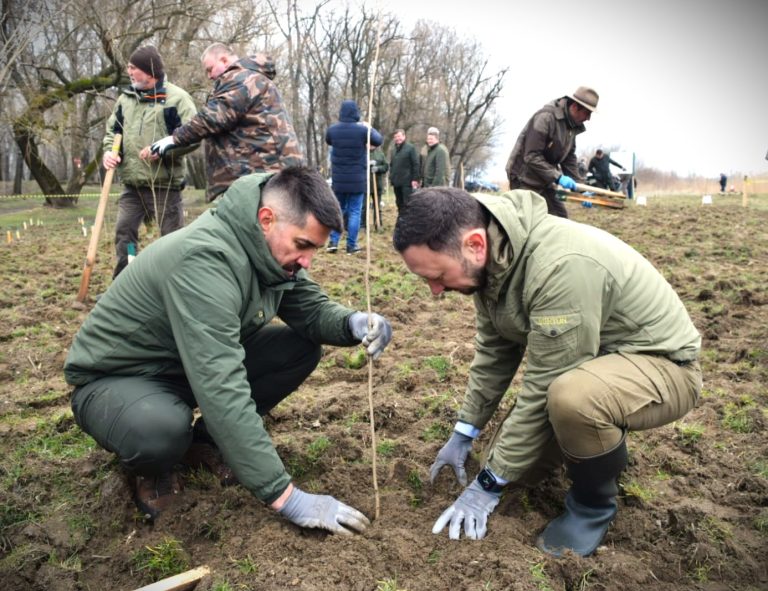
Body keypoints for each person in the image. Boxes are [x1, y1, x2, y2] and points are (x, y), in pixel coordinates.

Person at [64, 167, 393, 535]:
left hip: (181, 368)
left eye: (315, 249)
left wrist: (352, 323)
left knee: (300, 348)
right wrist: (287, 497)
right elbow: (221, 385)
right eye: (303, 245)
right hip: (119, 378)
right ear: (266, 219)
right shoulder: (204, 261)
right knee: (160, 433)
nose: (307, 262)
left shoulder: (269, 253)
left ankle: (204, 444)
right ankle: (155, 468)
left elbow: (311, 310)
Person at [393, 187, 702, 556]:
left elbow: (544, 384)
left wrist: (487, 486)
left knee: (572, 400)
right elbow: (495, 352)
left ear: (474, 244)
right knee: (513, 469)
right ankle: (587, 446)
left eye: (438, 275)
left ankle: (592, 505)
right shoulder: (492, 263)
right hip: (594, 363)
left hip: (664, 367)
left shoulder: (558, 265)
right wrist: (465, 431)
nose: (434, 291)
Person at [151, 43, 303, 202]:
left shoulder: (240, 78)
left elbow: (213, 117)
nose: (209, 76)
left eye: (210, 69)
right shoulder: (251, 78)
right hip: (267, 173)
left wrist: (175, 138)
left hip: (262, 175)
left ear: (223, 60)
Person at [103, 45, 197, 279]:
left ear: (149, 71)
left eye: (133, 67)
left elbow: (194, 136)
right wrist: (109, 152)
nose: (129, 71)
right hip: (132, 186)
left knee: (171, 242)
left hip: (165, 187)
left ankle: (173, 289)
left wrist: (165, 150)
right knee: (125, 235)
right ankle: (126, 284)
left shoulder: (177, 99)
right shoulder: (126, 99)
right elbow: (112, 132)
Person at [505, 86, 599, 218]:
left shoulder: (572, 126)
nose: (588, 118)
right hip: (523, 178)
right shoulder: (546, 118)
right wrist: (558, 177)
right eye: (587, 113)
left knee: (560, 219)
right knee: (528, 222)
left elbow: (569, 159)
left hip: (545, 179)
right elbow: (531, 156)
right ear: (575, 106)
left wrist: (581, 189)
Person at [324, 99, 383, 254]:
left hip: (339, 180)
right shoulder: (362, 131)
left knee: (339, 210)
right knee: (355, 211)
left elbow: (328, 140)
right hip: (357, 179)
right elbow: (378, 140)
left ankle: (333, 242)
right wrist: (369, 127)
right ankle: (351, 245)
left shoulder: (333, 130)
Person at [389, 128, 420, 215]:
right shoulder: (394, 149)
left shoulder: (410, 148)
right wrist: (391, 178)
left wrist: (415, 179)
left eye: (399, 136)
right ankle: (401, 220)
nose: (397, 138)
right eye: (395, 137)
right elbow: (392, 165)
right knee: (399, 203)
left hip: (407, 182)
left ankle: (409, 221)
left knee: (408, 203)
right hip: (396, 182)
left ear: (404, 136)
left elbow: (416, 164)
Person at [362, 143, 388, 230]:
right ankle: (363, 226)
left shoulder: (380, 154)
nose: (371, 145)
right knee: (364, 206)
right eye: (369, 143)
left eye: (372, 143)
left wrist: (378, 168)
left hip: (377, 184)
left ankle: (378, 224)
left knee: (377, 206)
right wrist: (366, 164)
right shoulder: (362, 153)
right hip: (365, 185)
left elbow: (386, 166)